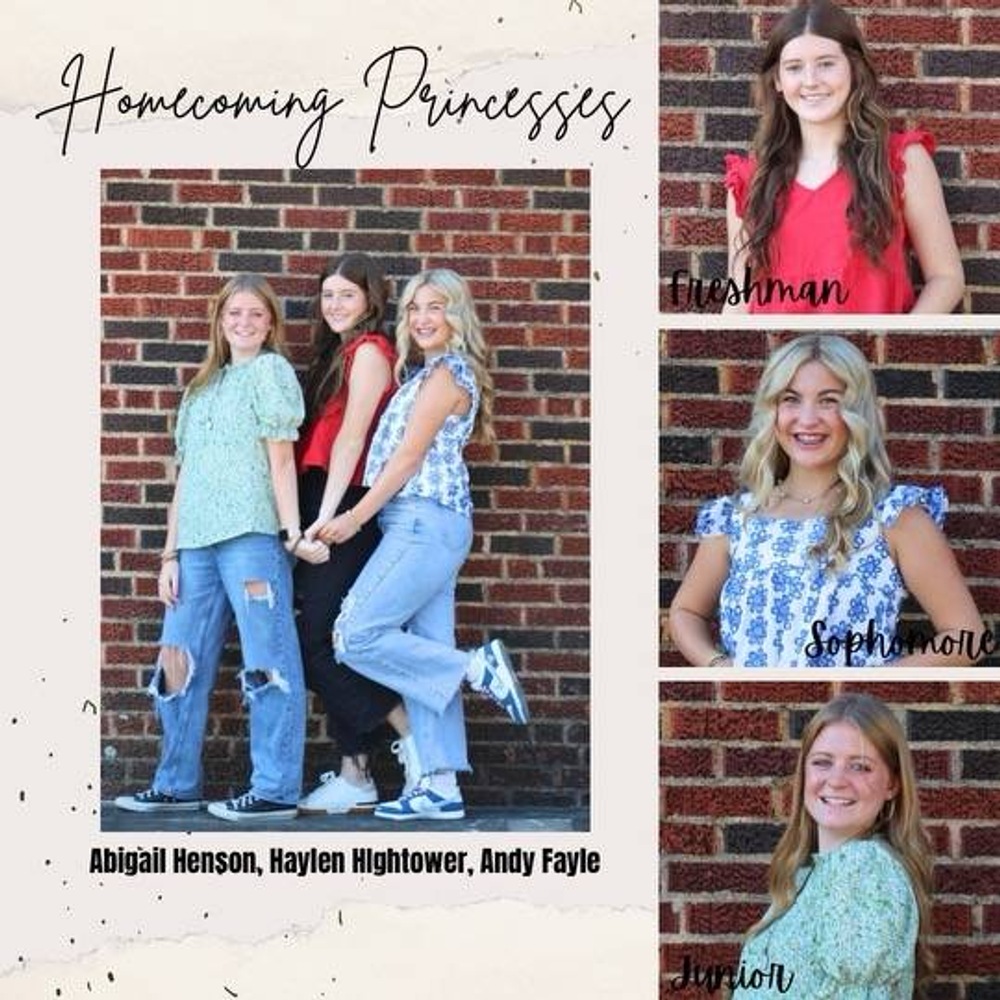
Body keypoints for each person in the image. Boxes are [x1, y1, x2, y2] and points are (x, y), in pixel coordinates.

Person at [114, 273, 329, 821]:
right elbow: (185, 479)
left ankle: (275, 789)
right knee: (177, 661)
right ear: (219, 320)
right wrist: (169, 554)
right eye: (235, 313)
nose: (244, 322)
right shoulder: (201, 388)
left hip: (253, 541)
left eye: (256, 314)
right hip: (196, 549)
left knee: (267, 663)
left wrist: (290, 532)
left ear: (271, 323)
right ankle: (175, 782)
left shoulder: (271, 373)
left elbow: (282, 459)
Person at [318, 268, 530, 821]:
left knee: (355, 635)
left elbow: (407, 459)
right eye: (414, 308)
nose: (422, 318)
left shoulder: (446, 375)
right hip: (427, 526)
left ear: (456, 315)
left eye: (436, 307)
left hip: (421, 522)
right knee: (424, 655)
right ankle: (440, 787)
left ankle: (477, 669)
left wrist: (355, 518)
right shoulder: (425, 374)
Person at [668, 334, 985, 666]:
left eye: (829, 400)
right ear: (772, 411)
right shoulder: (737, 518)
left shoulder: (894, 517)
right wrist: (718, 665)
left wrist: (870, 681)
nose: (807, 419)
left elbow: (967, 637)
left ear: (856, 412)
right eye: (790, 399)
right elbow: (686, 611)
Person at [723, 0, 964, 315]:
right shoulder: (749, 179)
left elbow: (946, 278)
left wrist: (894, 347)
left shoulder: (899, 162)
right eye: (794, 67)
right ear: (778, 82)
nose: (810, 80)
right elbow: (739, 297)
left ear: (854, 69)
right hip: (782, 359)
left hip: (870, 360)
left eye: (826, 63)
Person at [292, 253, 418, 814]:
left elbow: (351, 439)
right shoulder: (338, 354)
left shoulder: (370, 352)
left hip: (344, 502)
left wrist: (326, 517)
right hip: (325, 496)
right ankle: (355, 774)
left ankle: (411, 735)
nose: (335, 304)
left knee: (317, 643)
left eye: (347, 294)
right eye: (328, 295)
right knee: (329, 640)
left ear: (371, 299)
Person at [730, 692, 934, 999]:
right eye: (823, 762)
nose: (836, 780)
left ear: (892, 784)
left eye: (860, 766)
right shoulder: (807, 874)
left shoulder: (864, 868)